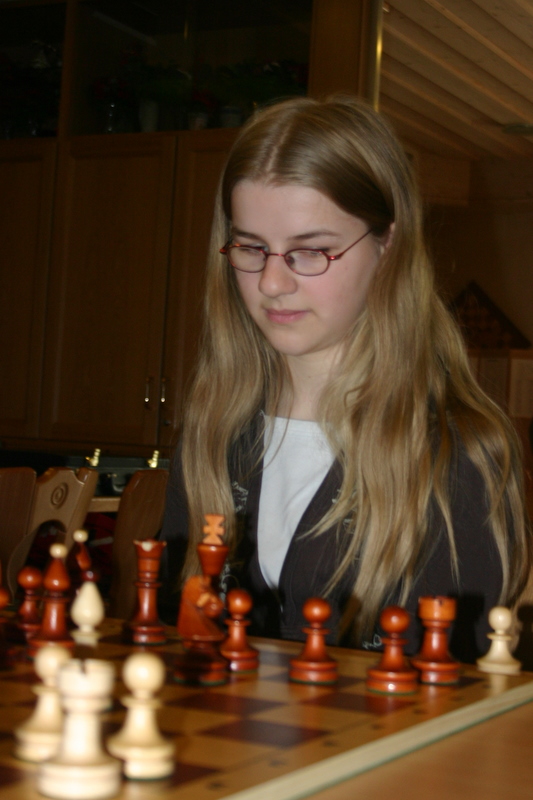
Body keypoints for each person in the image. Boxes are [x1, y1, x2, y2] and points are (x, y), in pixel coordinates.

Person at [159, 95, 531, 662]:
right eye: (252, 248)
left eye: (311, 251)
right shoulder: (212, 434)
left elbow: (460, 691)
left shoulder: (458, 453)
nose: (272, 283)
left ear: (388, 245)